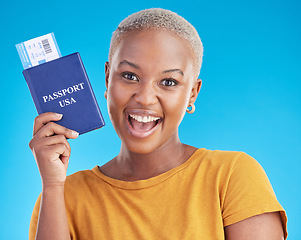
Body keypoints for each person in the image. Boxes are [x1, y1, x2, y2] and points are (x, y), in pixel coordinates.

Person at [28, 8, 287, 240]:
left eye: (169, 82)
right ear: (108, 78)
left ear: (192, 94)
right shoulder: (61, 197)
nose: (145, 97)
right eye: (130, 76)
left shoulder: (231, 176)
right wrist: (52, 187)